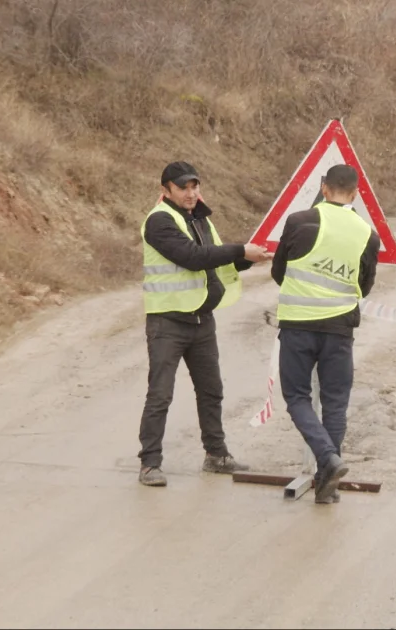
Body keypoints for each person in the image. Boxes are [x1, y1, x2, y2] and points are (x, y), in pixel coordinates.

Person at [138, 161, 272, 487]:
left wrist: (249, 256)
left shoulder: (199, 218)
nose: (191, 192)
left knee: (212, 391)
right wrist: (241, 249)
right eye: (183, 187)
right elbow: (193, 257)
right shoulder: (159, 221)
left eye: (194, 186)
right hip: (168, 321)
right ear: (165, 190)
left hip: (201, 319)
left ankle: (216, 455)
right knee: (160, 394)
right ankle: (149, 463)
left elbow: (213, 256)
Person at [271, 164, 380, 504]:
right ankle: (325, 486)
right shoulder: (367, 234)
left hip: (298, 325)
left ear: (323, 187)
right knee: (335, 403)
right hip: (339, 329)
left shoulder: (299, 222)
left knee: (297, 397)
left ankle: (328, 459)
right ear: (356, 192)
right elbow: (364, 285)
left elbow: (279, 272)